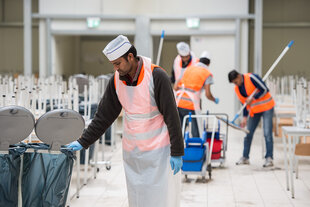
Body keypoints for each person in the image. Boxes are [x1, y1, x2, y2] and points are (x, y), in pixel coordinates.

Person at [67, 35, 184, 207]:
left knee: (160, 198)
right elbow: (104, 116)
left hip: (159, 152)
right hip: (133, 151)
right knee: (137, 197)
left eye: (117, 63)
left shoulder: (157, 76)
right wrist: (83, 141)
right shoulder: (115, 80)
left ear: (130, 57)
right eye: (113, 64)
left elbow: (172, 117)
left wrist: (177, 151)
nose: (115, 68)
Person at [228, 70, 275, 167]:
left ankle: (269, 158)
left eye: (235, 81)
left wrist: (253, 98)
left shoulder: (251, 78)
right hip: (255, 111)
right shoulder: (237, 88)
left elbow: (265, 89)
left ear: (238, 76)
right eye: (233, 83)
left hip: (267, 107)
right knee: (248, 133)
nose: (235, 84)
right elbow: (244, 104)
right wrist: (245, 117)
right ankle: (245, 157)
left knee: (267, 133)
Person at [174, 51, 219, 138]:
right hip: (191, 105)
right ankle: (195, 151)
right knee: (196, 134)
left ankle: (176, 150)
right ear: (208, 63)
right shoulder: (207, 73)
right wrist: (214, 99)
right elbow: (208, 94)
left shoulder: (189, 68)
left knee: (178, 132)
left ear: (199, 60)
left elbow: (176, 87)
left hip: (178, 103)